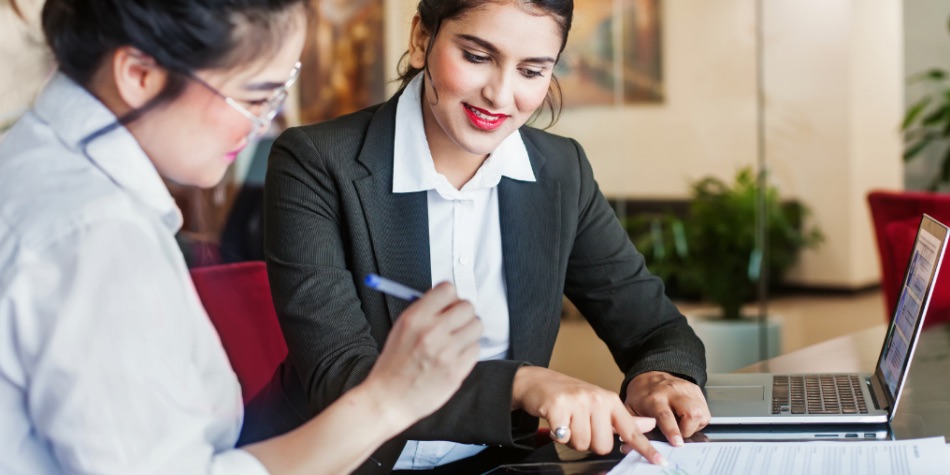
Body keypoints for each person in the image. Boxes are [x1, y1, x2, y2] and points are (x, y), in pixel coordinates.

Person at [0, 0, 482, 473]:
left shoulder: (32, 160)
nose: (265, 125)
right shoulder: (95, 240)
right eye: (255, 97)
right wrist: (389, 402)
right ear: (139, 75)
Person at [261, 0, 711, 472]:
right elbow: (343, 377)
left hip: (502, 463)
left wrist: (661, 377)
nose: (500, 95)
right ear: (420, 40)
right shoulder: (314, 161)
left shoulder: (560, 171)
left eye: (532, 71)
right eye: (476, 57)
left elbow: (654, 328)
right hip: (343, 461)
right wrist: (524, 385)